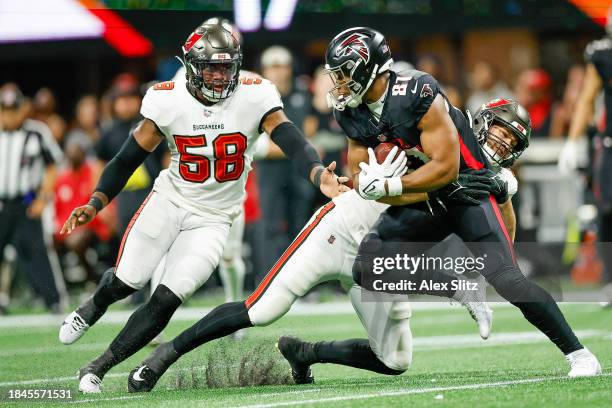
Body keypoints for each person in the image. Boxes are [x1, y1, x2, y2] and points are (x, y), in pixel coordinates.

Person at [124, 100, 529, 392]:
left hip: (377, 263)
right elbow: (391, 152)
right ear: (478, 123)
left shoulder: (483, 182)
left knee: (395, 361)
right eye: (498, 133)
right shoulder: (441, 136)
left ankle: (306, 353)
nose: (500, 145)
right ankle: (163, 357)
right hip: (343, 230)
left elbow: (498, 247)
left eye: (510, 142)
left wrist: (502, 194)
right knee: (263, 309)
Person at [57, 23, 347, 393]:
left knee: (166, 298)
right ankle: (91, 308)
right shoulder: (168, 98)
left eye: (227, 67)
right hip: (170, 200)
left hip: (214, 218)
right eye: (210, 67)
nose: (219, 75)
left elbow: (289, 136)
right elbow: (128, 156)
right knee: (127, 279)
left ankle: (97, 367)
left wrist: (318, 173)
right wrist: (97, 201)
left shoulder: (255, 94)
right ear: (191, 65)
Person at [326, 27, 599, 377]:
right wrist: (371, 185)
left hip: (466, 192)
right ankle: (459, 286)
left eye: (344, 73)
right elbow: (360, 169)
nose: (339, 83)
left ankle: (579, 354)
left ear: (368, 68)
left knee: (507, 280)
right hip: (424, 194)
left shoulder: (416, 92)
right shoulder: (351, 111)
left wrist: (390, 186)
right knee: (367, 269)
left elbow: (446, 168)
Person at [558, 8, 612, 307]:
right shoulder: (603, 55)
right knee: (606, 211)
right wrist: (573, 141)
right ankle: (610, 280)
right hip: (610, 143)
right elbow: (587, 98)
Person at [0, 84, 65, 312]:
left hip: (27, 202)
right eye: (4, 109)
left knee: (36, 251)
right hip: (2, 203)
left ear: (23, 109)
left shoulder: (36, 132)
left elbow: (52, 167)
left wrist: (42, 198)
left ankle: (53, 301)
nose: (9, 114)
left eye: (13, 109)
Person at [257, 46, 316, 274]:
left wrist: (293, 147)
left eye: (282, 65)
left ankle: (302, 282)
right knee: (270, 226)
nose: (278, 72)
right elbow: (261, 145)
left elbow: (309, 130)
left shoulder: (302, 93)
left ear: (290, 68)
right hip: (271, 171)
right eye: (273, 66)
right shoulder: (259, 97)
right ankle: (266, 283)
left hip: (298, 169)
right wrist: (298, 147)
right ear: (264, 70)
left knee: (301, 225)